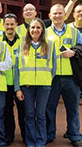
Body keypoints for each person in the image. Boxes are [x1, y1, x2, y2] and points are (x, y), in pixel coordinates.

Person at [46, 4, 82, 147]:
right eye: (54, 13)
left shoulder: (74, 32)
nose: (57, 16)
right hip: (51, 77)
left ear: (65, 15)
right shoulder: (44, 33)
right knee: (49, 107)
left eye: (60, 13)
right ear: (49, 16)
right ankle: (49, 134)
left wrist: (74, 52)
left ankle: (74, 135)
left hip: (71, 77)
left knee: (73, 107)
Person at [15, 18, 56, 147]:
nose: (35, 30)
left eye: (38, 27)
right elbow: (16, 68)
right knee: (29, 114)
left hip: (44, 86)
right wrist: (18, 88)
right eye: (32, 27)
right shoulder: (21, 45)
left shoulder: (49, 44)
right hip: (26, 86)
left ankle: (40, 141)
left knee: (41, 114)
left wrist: (47, 80)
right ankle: (30, 141)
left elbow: (53, 66)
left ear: (42, 30)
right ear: (29, 30)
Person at [2, 13, 25, 145]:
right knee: (7, 111)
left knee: (23, 111)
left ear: (17, 25)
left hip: (20, 83)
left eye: (12, 24)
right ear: (4, 25)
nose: (10, 27)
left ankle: (26, 136)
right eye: (7, 24)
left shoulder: (24, 41)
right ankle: (9, 136)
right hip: (4, 83)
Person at [69, 4, 82, 139]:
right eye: (78, 12)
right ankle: (71, 129)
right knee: (72, 102)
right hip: (71, 70)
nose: (80, 14)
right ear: (73, 14)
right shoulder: (68, 28)